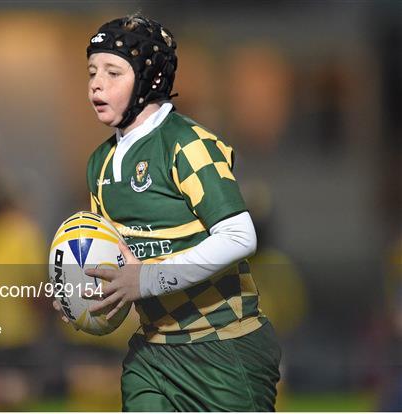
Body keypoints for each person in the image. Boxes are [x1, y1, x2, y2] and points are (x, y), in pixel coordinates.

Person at [54, 14, 281, 411]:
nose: (96, 82)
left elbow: (241, 236)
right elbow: (115, 259)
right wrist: (80, 293)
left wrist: (147, 279)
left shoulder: (187, 144)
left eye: (112, 71)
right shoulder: (99, 165)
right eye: (92, 71)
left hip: (225, 349)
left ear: (150, 79)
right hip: (153, 353)